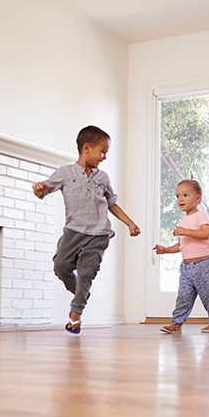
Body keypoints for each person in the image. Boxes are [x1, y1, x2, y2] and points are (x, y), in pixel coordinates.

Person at [32, 125, 140, 334]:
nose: (104, 157)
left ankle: (75, 316)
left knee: (85, 273)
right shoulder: (65, 173)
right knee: (60, 266)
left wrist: (130, 223)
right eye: (103, 151)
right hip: (73, 231)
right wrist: (38, 189)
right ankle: (83, 293)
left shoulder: (103, 178)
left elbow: (112, 203)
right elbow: (43, 190)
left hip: (98, 233)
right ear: (87, 148)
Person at [153, 179, 209, 333]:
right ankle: (176, 323)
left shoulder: (201, 215)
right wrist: (165, 250)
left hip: (203, 264)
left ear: (198, 198)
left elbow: (205, 234)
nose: (181, 199)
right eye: (178, 196)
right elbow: (181, 245)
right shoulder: (183, 220)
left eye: (185, 195)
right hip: (186, 267)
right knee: (183, 296)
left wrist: (184, 231)